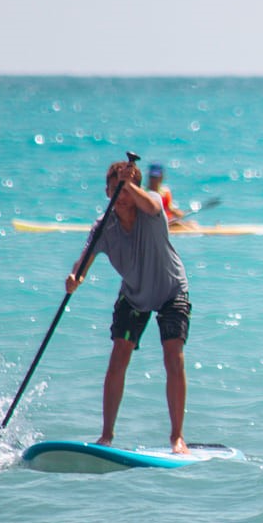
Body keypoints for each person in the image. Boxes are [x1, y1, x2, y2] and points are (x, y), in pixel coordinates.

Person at [66, 160, 192, 453]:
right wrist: (76, 278)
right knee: (118, 355)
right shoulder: (103, 226)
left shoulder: (152, 209)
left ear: (135, 189)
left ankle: (177, 437)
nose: (121, 197)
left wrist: (130, 185)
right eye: (115, 189)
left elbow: (150, 203)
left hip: (171, 290)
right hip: (134, 295)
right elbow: (83, 262)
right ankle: (107, 435)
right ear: (106, 191)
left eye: (126, 190)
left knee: (173, 355)